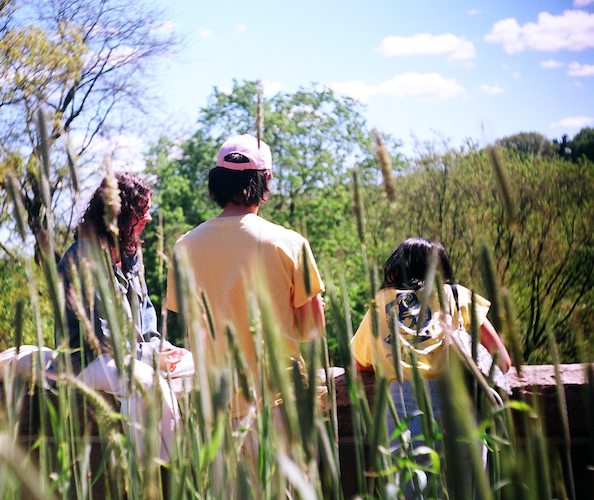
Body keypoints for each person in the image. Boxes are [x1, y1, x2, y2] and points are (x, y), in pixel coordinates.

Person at [165, 134, 326, 418]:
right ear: (266, 179)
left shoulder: (184, 246)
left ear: (216, 182)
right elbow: (313, 330)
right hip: (280, 402)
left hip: (215, 407)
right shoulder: (289, 243)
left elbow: (192, 320)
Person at [351, 237, 511, 495]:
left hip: (402, 407)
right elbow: (502, 360)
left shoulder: (379, 304)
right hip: (460, 404)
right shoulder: (458, 295)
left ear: (395, 271)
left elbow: (358, 365)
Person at [56, 171, 188, 460]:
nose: (149, 218)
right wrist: (153, 358)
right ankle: (152, 474)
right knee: (145, 382)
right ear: (124, 213)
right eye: (144, 211)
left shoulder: (130, 254)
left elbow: (147, 315)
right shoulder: (85, 256)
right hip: (90, 361)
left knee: (195, 363)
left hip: (133, 354)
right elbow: (104, 339)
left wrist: (162, 348)